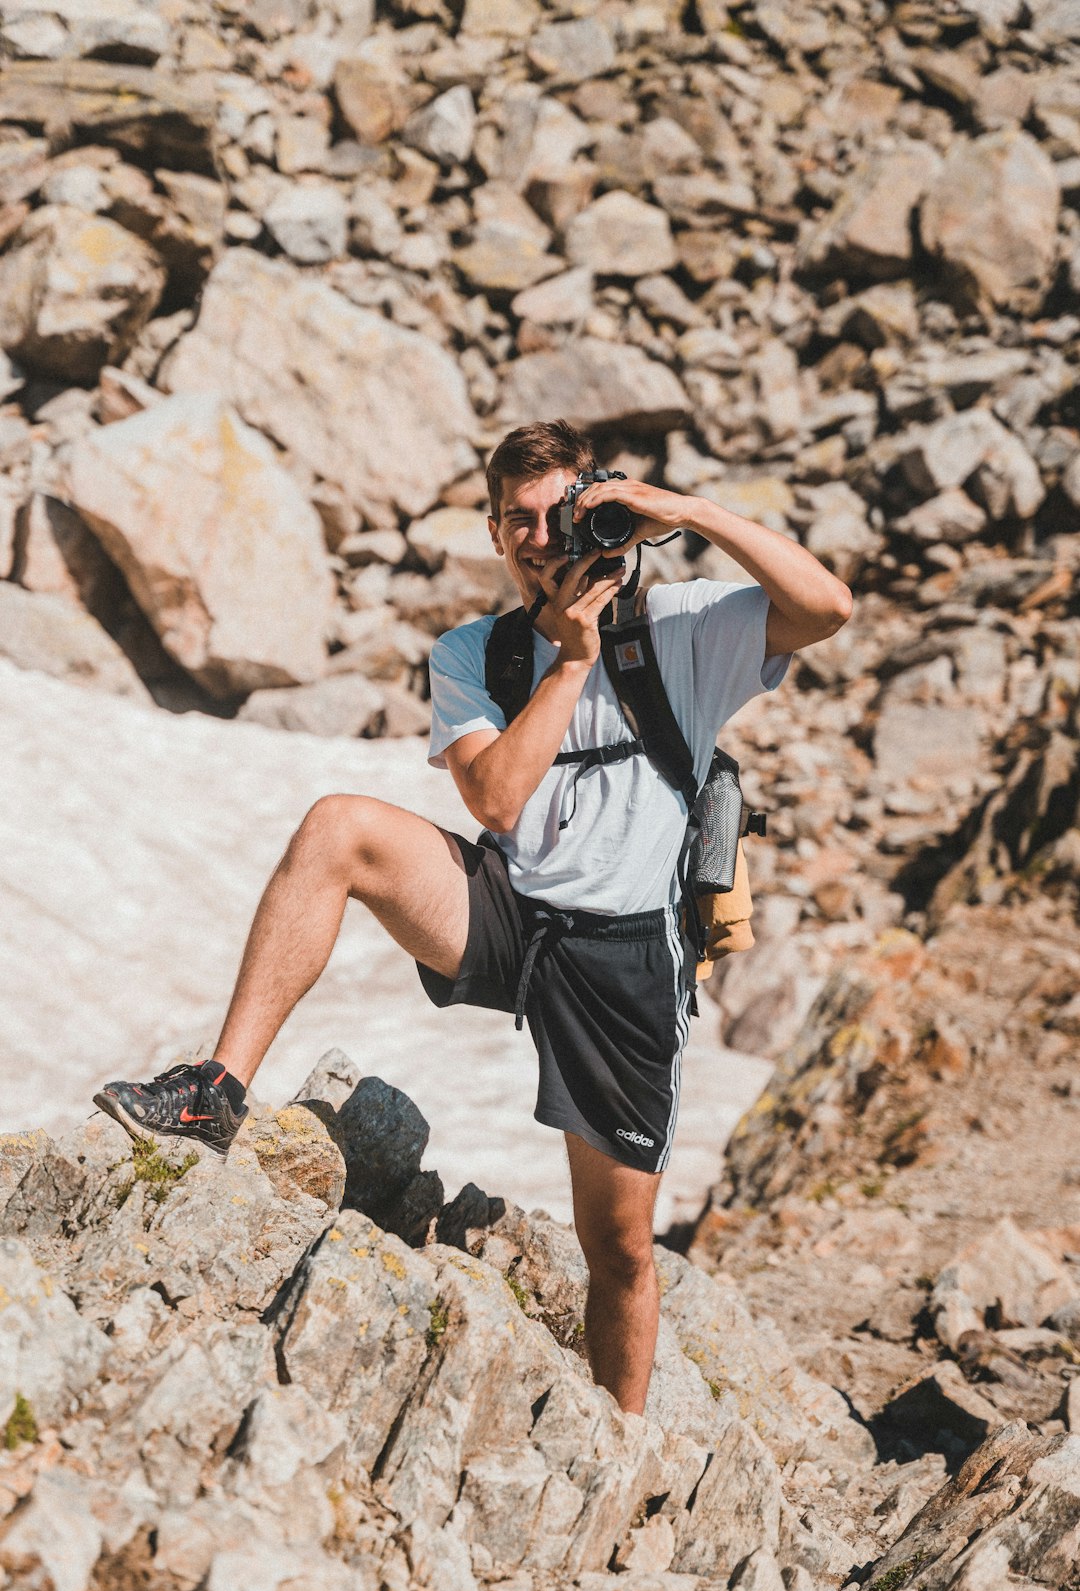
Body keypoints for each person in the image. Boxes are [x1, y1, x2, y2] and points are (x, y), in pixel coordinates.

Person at [94, 418, 852, 1414]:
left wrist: (687, 514)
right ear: (496, 537)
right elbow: (496, 802)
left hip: (625, 953)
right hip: (509, 912)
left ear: (602, 506)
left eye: (562, 513)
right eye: (518, 521)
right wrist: (571, 663)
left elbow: (828, 607)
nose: (541, 537)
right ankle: (214, 1093)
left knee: (619, 1246)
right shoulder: (476, 653)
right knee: (339, 829)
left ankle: (617, 1441)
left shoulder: (683, 628)